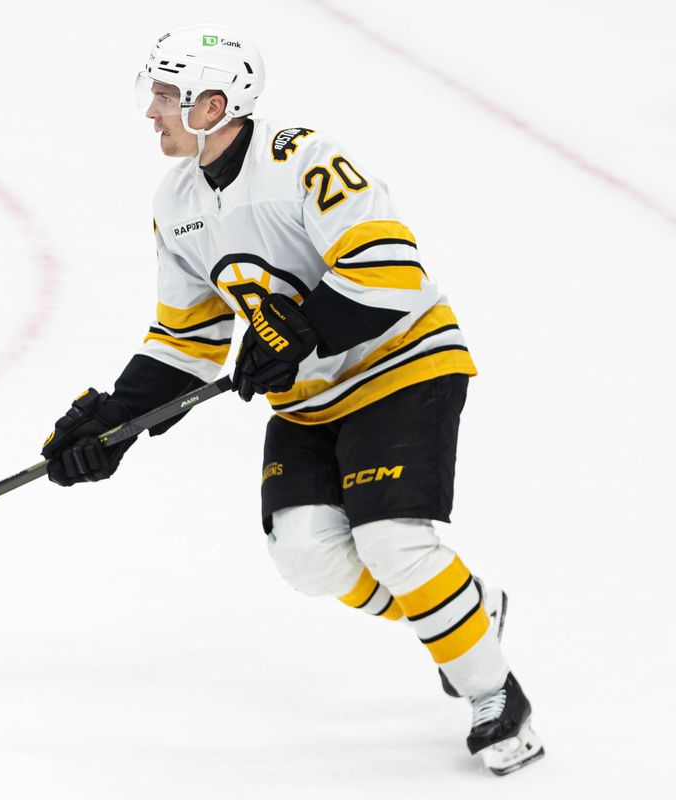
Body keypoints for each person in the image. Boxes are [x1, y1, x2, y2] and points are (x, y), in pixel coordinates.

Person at [40, 24, 544, 776]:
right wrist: (116, 418)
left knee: (392, 542)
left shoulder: (302, 159)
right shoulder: (176, 202)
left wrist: (303, 330)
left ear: (213, 105)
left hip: (402, 366)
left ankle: (495, 695)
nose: (151, 110)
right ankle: (463, 610)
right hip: (309, 400)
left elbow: (391, 271)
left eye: (167, 96)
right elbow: (187, 339)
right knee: (308, 556)